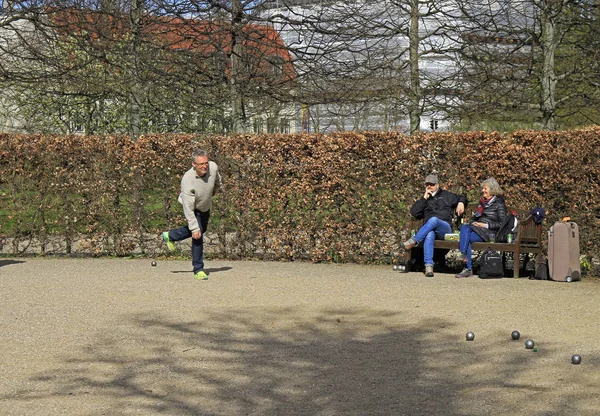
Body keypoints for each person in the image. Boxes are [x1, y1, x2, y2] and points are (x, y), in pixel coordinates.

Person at [162, 149, 222, 280]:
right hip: (193, 206)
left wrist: (215, 190)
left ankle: (170, 236)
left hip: (205, 205)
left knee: (203, 229)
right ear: (194, 164)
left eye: (206, 162)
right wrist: (194, 228)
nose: (204, 166)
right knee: (197, 234)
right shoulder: (188, 179)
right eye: (201, 164)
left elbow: (217, 180)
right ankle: (198, 269)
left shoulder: (213, 167)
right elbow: (188, 208)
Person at [402, 174, 467, 277]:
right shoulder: (425, 199)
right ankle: (429, 267)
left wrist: (461, 203)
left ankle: (413, 240)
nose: (429, 187)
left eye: (431, 184)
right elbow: (414, 212)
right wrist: (424, 199)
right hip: (430, 230)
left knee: (434, 220)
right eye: (427, 185)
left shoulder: (446, 195)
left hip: (444, 229)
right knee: (429, 234)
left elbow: (462, 197)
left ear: (437, 185)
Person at [455, 177, 506, 278]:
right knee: (466, 230)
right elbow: (474, 218)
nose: (483, 191)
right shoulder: (481, 203)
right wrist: (475, 223)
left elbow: (502, 223)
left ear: (492, 190)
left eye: (485, 188)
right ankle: (467, 267)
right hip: (478, 230)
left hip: (489, 233)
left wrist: (485, 225)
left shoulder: (499, 204)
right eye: (483, 188)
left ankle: (466, 264)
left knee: (465, 235)